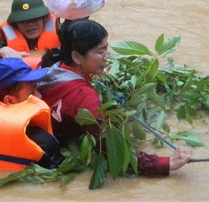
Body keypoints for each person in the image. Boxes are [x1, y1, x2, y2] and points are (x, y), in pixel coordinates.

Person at [38, 18, 193, 176]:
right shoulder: (85, 97)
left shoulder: (50, 69)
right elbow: (113, 150)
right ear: (77, 57)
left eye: (106, 49)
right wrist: (166, 163)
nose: (106, 57)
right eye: (100, 51)